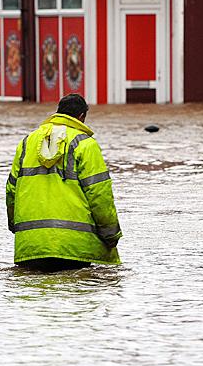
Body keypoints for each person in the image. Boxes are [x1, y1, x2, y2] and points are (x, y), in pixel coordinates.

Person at [6, 94, 122, 271]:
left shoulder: (27, 142)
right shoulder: (85, 144)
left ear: (58, 112)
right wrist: (111, 234)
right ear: (82, 116)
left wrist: (17, 227)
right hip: (74, 247)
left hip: (31, 245)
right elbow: (99, 194)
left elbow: (11, 190)